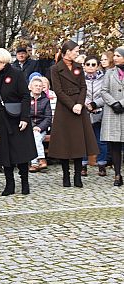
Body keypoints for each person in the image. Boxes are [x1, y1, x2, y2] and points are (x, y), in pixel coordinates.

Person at [49, 40, 99, 187]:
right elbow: (58, 91)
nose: (77, 53)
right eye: (76, 51)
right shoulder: (56, 69)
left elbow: (83, 87)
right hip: (64, 109)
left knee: (79, 143)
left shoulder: (78, 67)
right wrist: (72, 105)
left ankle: (78, 176)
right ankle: (66, 176)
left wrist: (79, 103)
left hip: (78, 105)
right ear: (68, 51)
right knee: (65, 143)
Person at [0, 48, 37, 195]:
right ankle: (9, 184)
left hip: (17, 119)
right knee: (5, 153)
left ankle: (24, 183)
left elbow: (25, 97)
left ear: (3, 61)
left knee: (21, 152)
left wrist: (24, 117)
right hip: (1, 120)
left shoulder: (16, 74)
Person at [101, 46, 124, 186]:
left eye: (118, 55)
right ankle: (117, 175)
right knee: (115, 145)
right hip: (113, 112)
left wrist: (121, 103)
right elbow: (104, 91)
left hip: (122, 109)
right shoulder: (109, 73)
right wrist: (113, 103)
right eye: (114, 55)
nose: (115, 57)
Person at [82, 55, 107, 176]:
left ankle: (102, 164)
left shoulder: (104, 78)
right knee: (83, 139)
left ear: (97, 66)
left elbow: (105, 94)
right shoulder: (79, 78)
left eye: (93, 64)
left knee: (101, 139)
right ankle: (83, 165)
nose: (90, 67)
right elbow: (77, 92)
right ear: (84, 65)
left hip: (100, 111)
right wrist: (85, 104)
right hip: (84, 112)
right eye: (88, 64)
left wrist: (95, 104)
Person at [28, 76, 52, 173]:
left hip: (41, 128)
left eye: (40, 86)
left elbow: (48, 117)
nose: (38, 87)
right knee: (34, 135)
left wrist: (39, 127)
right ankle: (41, 159)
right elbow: (25, 115)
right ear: (30, 87)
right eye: (36, 86)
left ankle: (34, 163)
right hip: (28, 127)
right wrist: (32, 127)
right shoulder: (26, 99)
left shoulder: (45, 100)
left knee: (36, 136)